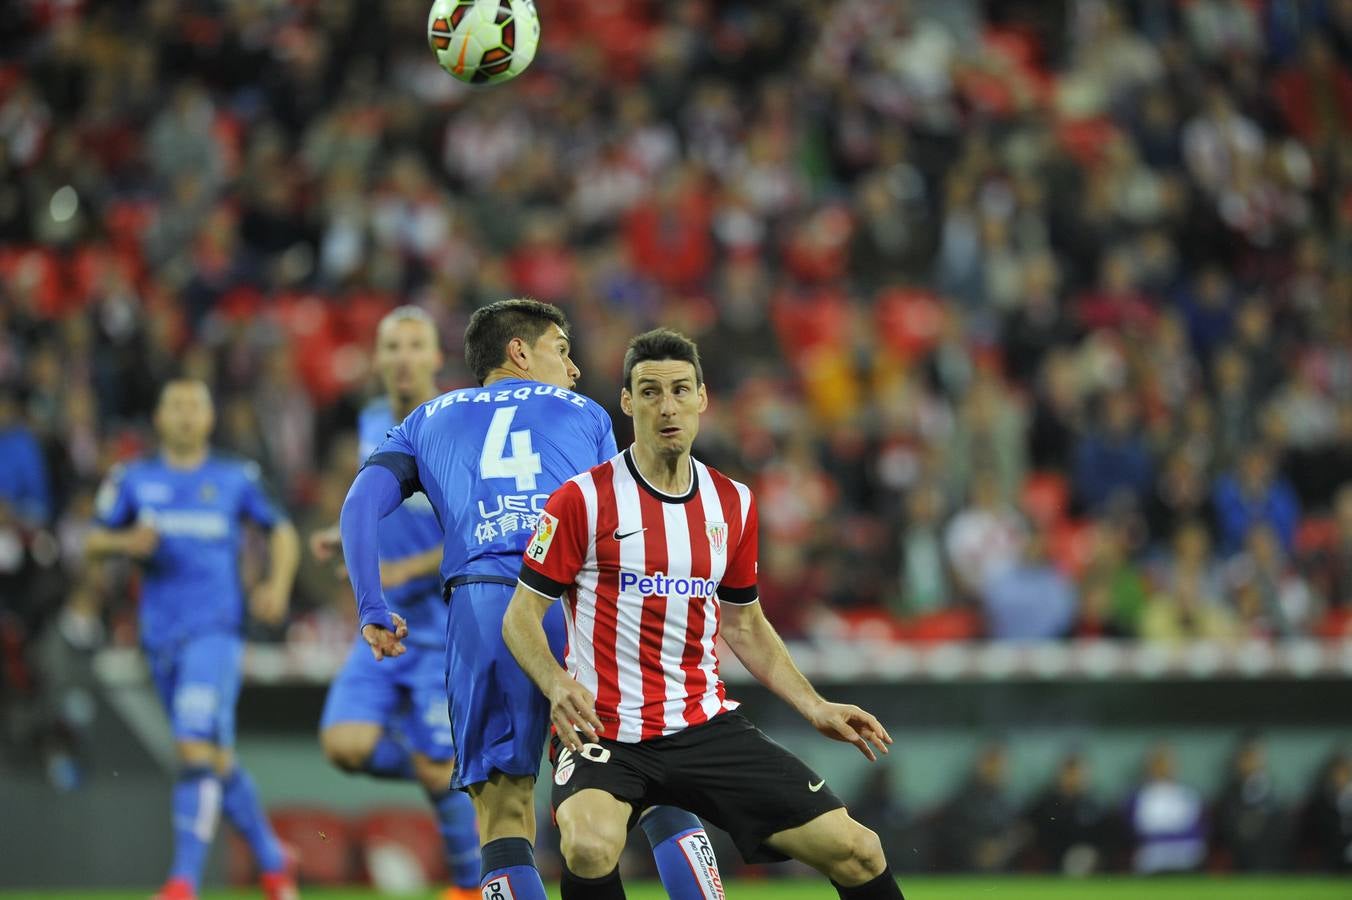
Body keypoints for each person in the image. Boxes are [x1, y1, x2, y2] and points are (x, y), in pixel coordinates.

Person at [338, 301, 723, 900]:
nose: (572, 368)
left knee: (504, 818)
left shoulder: (426, 418)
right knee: (655, 789)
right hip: (578, 606)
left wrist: (370, 605)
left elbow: (359, 505)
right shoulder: (588, 413)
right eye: (561, 350)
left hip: (482, 611)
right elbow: (626, 521)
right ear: (520, 352)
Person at [502, 328, 904, 899]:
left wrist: (814, 706)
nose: (666, 406)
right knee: (589, 845)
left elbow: (745, 622)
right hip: (605, 732)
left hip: (702, 725)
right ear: (627, 402)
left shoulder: (733, 503)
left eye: (679, 390)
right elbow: (519, 618)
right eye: (649, 392)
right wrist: (555, 683)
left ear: (702, 399)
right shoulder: (582, 498)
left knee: (860, 851)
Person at [86, 380, 301, 900]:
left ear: (209, 418)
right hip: (160, 637)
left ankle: (182, 882)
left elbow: (282, 530)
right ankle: (274, 862)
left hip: (216, 634)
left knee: (192, 745)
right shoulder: (133, 479)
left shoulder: (234, 477)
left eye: (195, 405)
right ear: (159, 418)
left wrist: (275, 584)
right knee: (214, 753)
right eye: (175, 406)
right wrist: (125, 541)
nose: (185, 414)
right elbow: (92, 539)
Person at [309, 307, 479, 898]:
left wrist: (405, 567)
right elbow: (377, 502)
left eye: (415, 345)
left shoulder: (458, 427)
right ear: (378, 359)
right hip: (385, 620)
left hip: (440, 626)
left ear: (436, 358)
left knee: (437, 769)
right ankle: (448, 772)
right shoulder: (372, 421)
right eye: (392, 346)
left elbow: (480, 525)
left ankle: (469, 887)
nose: (404, 356)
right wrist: (347, 536)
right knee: (345, 744)